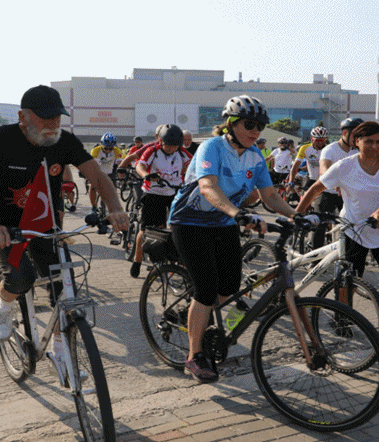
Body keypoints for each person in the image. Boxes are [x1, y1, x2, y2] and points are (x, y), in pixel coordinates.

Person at [0, 85, 127, 354]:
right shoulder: (0, 138)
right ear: (22, 117)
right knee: (20, 278)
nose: (53, 124)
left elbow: (97, 176)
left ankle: (62, 352)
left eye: (58, 117)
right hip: (5, 225)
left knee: (65, 286)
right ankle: (4, 307)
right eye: (45, 117)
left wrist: (115, 208)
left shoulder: (65, 141)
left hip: (45, 224)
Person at [168, 95, 301, 383]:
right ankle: (194, 355)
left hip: (225, 222)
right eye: (249, 124)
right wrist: (237, 212)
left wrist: (297, 215)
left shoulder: (255, 156)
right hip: (190, 222)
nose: (255, 131)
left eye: (260, 127)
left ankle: (209, 328)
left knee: (228, 288)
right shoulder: (212, 147)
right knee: (205, 289)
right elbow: (207, 187)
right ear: (230, 124)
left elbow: (270, 196)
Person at [296, 121, 379, 353]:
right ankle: (342, 318)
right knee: (348, 281)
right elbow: (315, 189)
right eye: (369, 141)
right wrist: (295, 217)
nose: (375, 146)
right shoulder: (345, 166)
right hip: (353, 230)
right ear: (356, 142)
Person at [129, 124, 192, 278]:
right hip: (153, 193)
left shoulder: (181, 152)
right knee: (148, 230)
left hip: (174, 192)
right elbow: (140, 165)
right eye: (168, 146)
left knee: (178, 227)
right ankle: (137, 260)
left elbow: (193, 163)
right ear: (161, 141)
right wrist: (145, 175)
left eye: (175, 147)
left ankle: (173, 260)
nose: (171, 149)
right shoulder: (153, 151)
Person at [309, 117, 363, 249]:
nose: (358, 139)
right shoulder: (330, 149)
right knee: (319, 225)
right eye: (356, 135)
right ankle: (315, 259)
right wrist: (336, 183)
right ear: (345, 133)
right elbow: (324, 170)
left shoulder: (358, 150)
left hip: (348, 194)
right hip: (327, 192)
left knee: (353, 225)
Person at [89, 132, 124, 213]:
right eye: (106, 148)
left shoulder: (117, 150)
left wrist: (122, 172)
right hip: (98, 171)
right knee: (92, 186)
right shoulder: (95, 150)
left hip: (110, 173)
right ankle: (93, 206)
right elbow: (93, 165)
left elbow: (120, 164)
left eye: (110, 148)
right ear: (101, 145)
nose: (108, 150)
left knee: (113, 192)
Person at [288, 126, 328, 190]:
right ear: (312, 139)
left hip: (325, 180)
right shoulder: (305, 148)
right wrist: (291, 181)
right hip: (311, 179)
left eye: (322, 140)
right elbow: (295, 166)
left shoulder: (329, 149)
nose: (320, 142)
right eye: (317, 140)